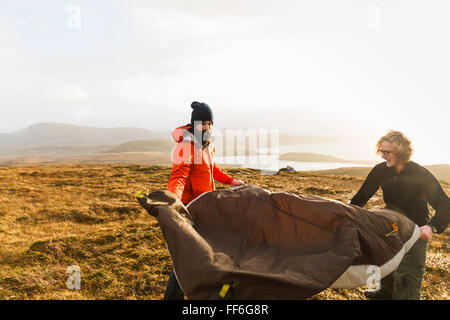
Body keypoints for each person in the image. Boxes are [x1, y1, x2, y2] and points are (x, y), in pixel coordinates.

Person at [350, 130, 449, 300]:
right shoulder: (380, 170)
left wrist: (432, 226)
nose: (382, 156)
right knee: (386, 264)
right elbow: (361, 197)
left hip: (415, 230)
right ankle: (383, 293)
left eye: (387, 152)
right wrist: (347, 215)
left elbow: (445, 204)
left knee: (407, 281)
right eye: (381, 151)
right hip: (391, 226)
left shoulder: (420, 174)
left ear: (401, 152)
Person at [164, 101, 245, 299]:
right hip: (192, 210)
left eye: (210, 124)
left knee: (202, 254)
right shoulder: (186, 146)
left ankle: (219, 292)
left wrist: (231, 181)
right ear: (194, 124)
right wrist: (173, 199)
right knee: (190, 257)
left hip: (208, 208)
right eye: (203, 124)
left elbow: (212, 169)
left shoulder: (206, 145)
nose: (207, 127)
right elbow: (179, 177)